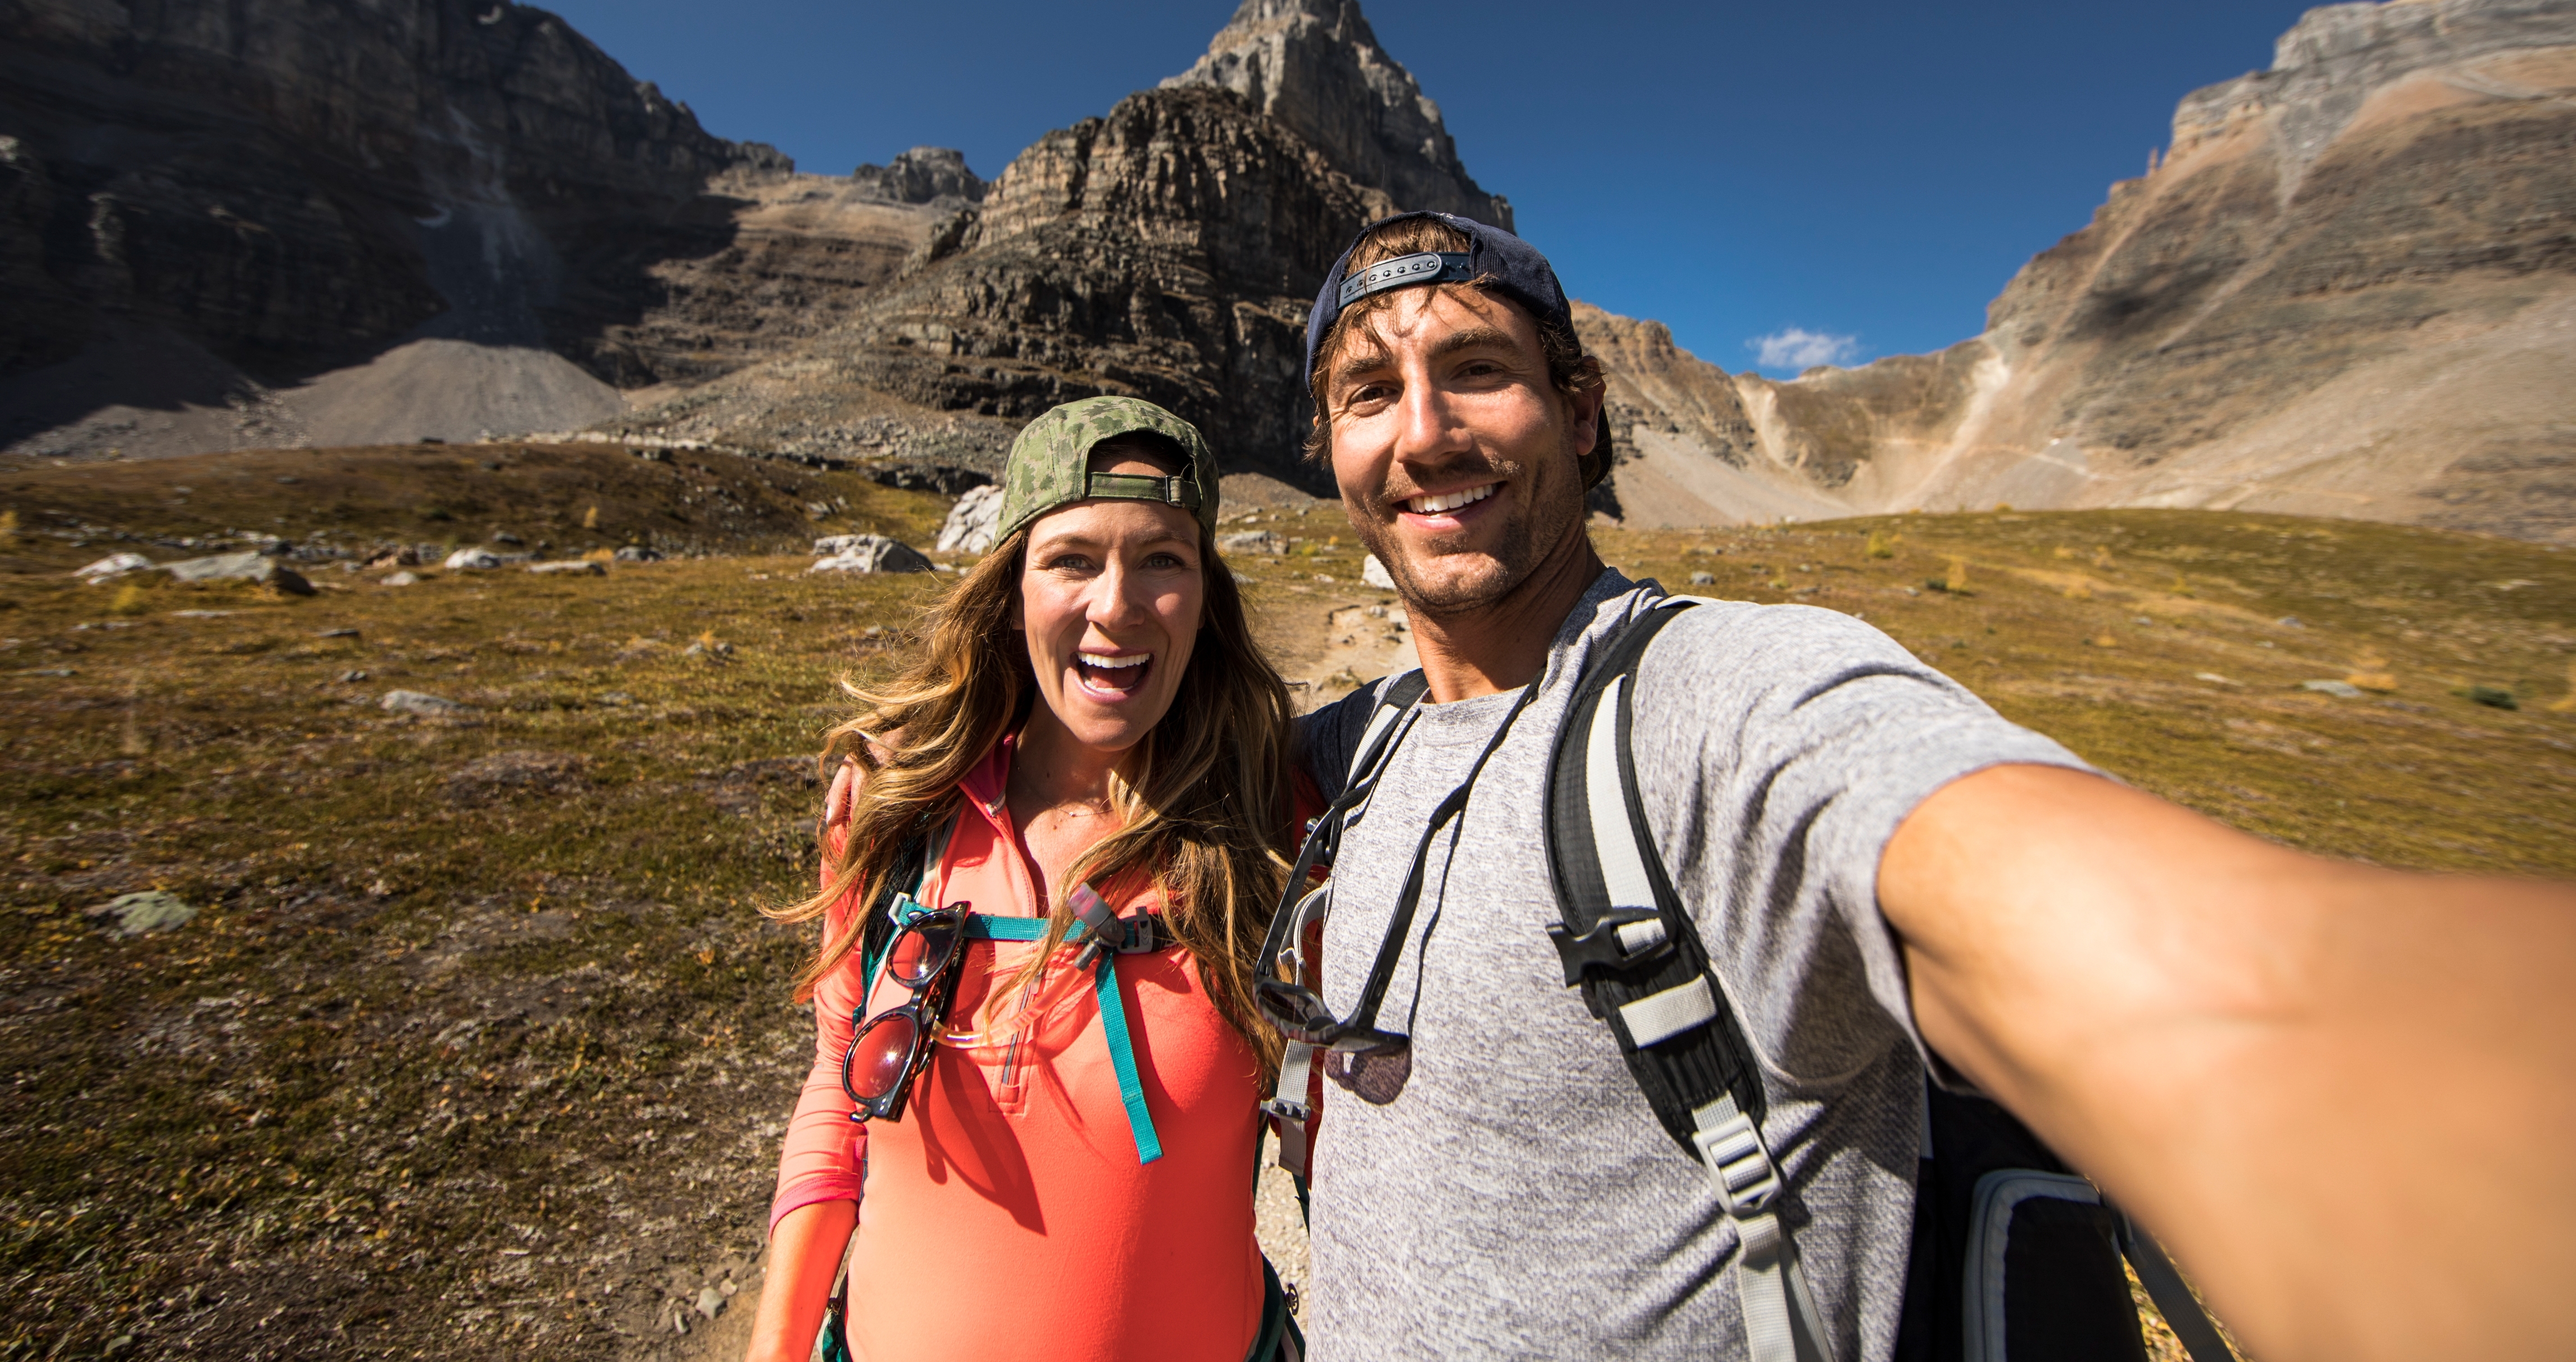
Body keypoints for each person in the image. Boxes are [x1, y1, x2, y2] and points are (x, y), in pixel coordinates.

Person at [1275, 211, 2576, 1362]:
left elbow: (2139, 947)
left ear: (1583, 410)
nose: (1426, 433)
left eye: (1479, 371)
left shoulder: (1731, 696)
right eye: (1369, 392)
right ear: (1330, 446)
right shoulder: (1350, 751)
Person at [745, 398, 1305, 1362]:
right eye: (1072, 558)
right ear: (1013, 587)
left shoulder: (1273, 832)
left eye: (1163, 557)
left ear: (1206, 596)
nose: (1117, 605)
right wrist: (776, 1344)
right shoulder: (897, 818)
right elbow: (839, 1092)